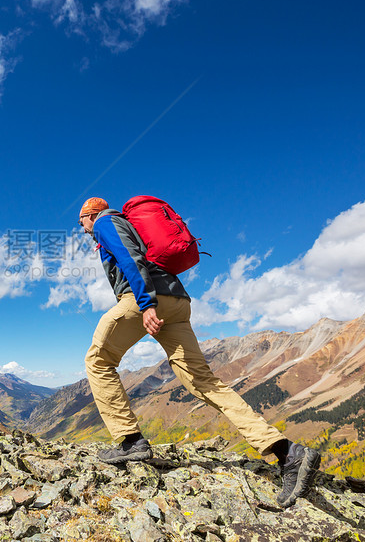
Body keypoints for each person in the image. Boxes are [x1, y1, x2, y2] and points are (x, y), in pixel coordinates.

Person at [79, 197, 320, 508]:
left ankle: (129, 441)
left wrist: (146, 303)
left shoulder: (104, 223)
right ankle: (287, 452)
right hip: (177, 302)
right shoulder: (121, 222)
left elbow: (129, 257)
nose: (83, 229)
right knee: (204, 382)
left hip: (146, 299)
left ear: (91, 214)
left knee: (98, 361)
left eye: (81, 222)